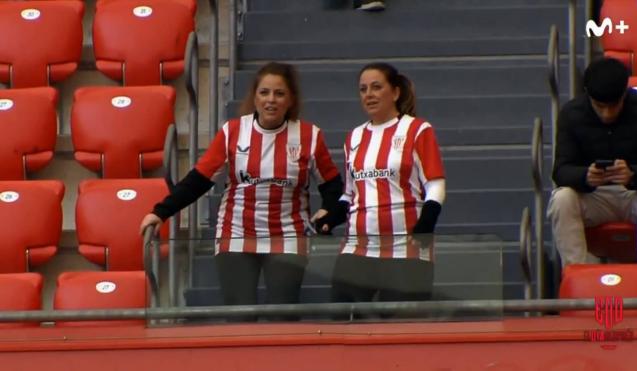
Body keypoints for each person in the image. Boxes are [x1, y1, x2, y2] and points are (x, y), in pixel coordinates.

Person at [140, 62, 342, 320]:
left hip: (288, 234)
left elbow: (333, 185)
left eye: (279, 94)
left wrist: (328, 210)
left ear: (291, 99)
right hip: (236, 231)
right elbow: (198, 180)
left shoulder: (308, 136)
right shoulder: (233, 132)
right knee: (239, 316)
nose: (271, 100)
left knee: (283, 315)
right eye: (264, 92)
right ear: (254, 97)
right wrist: (161, 212)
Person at [316, 62, 445, 310]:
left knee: (402, 332)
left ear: (395, 93)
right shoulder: (353, 137)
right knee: (342, 320)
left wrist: (428, 219)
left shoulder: (417, 129)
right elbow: (350, 193)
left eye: (376, 87)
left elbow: (435, 184)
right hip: (358, 248)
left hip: (406, 248)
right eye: (363, 89)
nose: (369, 94)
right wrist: (332, 218)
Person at [547, 58, 637, 267]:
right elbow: (561, 171)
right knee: (562, 199)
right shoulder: (572, 114)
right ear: (589, 97)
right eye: (600, 107)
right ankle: (578, 276)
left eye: (613, 106)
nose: (607, 114)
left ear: (624, 95)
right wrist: (585, 176)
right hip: (594, 195)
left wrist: (633, 174)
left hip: (636, 193)